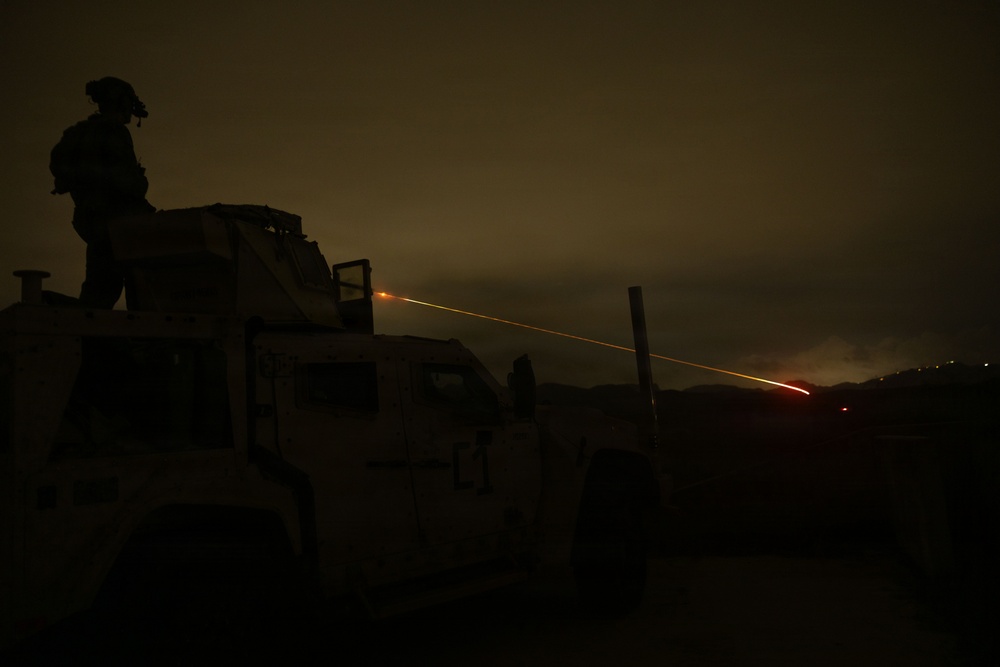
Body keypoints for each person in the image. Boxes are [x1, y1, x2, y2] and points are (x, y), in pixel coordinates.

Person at [50, 77, 155, 308]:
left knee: (98, 292)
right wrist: (141, 181)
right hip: (119, 225)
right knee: (141, 292)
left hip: (92, 222)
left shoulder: (82, 133)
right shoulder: (114, 132)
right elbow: (129, 185)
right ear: (121, 102)